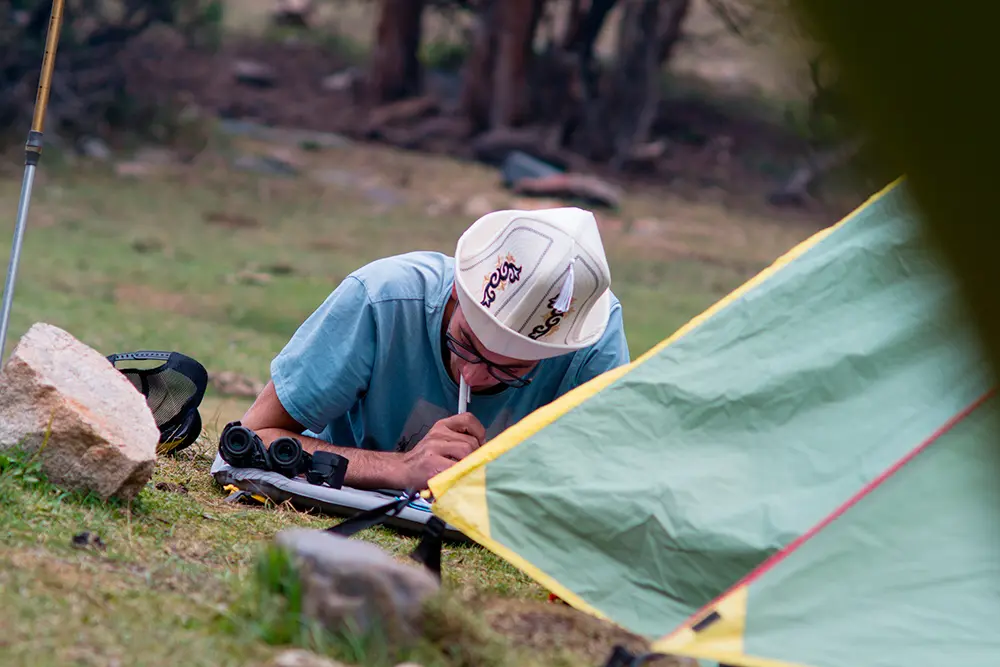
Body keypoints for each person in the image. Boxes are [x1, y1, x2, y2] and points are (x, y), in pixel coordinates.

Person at [240, 206, 630, 490]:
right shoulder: (382, 300)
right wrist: (399, 468)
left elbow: (603, 489)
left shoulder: (591, 350)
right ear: (458, 291)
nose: (472, 376)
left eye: (509, 371)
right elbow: (255, 434)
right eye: (465, 343)